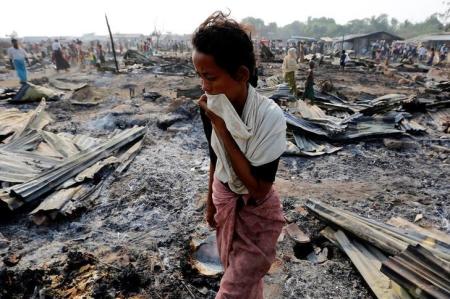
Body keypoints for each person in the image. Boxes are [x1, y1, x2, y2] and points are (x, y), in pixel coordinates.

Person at [192, 11, 286, 299]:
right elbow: (214, 158)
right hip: (224, 200)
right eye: (200, 77)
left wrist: (222, 127)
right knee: (241, 279)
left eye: (211, 77)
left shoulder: (269, 117)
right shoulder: (210, 105)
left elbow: (258, 188)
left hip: (255, 215)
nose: (205, 87)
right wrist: (210, 203)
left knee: (232, 290)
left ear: (241, 74)